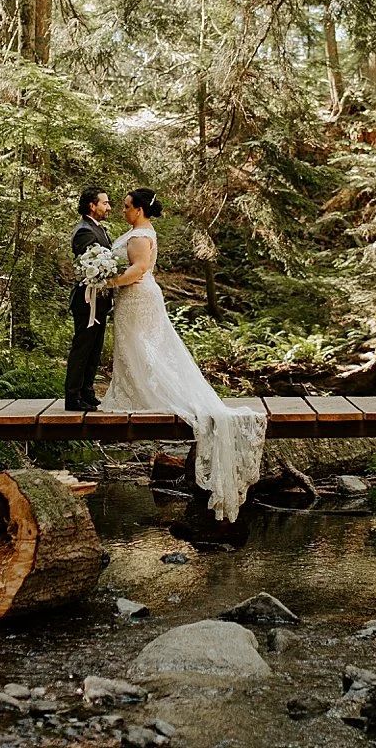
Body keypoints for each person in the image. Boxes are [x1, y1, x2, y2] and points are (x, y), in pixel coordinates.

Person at [100, 188, 266, 522]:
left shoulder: (141, 236)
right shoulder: (140, 232)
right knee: (138, 348)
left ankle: (145, 394)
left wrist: (108, 281)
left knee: (145, 348)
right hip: (135, 299)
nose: (123, 210)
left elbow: (140, 269)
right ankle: (134, 390)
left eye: (127, 206)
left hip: (136, 297)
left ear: (141, 209)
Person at [64, 188, 112, 412]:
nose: (108, 207)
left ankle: (87, 391)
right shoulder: (84, 231)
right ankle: (72, 396)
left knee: (95, 348)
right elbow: (88, 265)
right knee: (82, 348)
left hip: (99, 300)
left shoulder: (96, 227)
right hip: (87, 300)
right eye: (105, 203)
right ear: (92, 206)